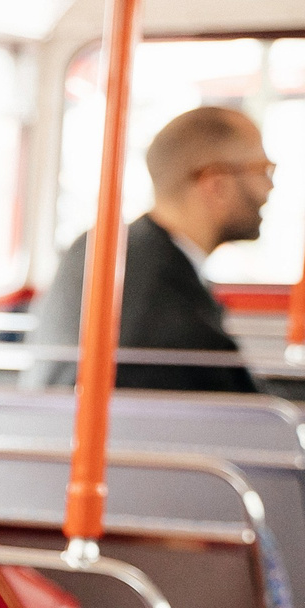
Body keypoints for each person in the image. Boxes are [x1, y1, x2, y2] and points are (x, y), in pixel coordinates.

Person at [32, 105, 275, 394]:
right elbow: (246, 409)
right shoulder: (176, 315)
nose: (269, 187)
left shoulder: (101, 246)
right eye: (263, 170)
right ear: (216, 185)